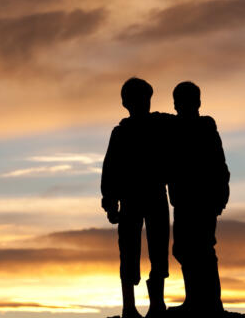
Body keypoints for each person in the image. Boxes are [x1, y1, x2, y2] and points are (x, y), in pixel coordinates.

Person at [101, 77, 170, 318]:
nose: (143, 103)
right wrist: (110, 202)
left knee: (158, 250)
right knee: (129, 252)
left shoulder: (161, 124)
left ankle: (157, 305)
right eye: (139, 98)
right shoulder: (120, 133)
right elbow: (110, 169)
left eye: (146, 98)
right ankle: (129, 307)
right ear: (126, 103)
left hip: (155, 196)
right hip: (131, 199)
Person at [167, 81, 230, 316]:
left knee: (202, 249)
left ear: (197, 103)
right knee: (184, 249)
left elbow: (219, 165)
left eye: (182, 101)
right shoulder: (174, 127)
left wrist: (220, 196)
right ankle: (195, 300)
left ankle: (211, 303)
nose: (178, 106)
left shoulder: (205, 127)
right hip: (183, 200)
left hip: (203, 201)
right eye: (176, 102)